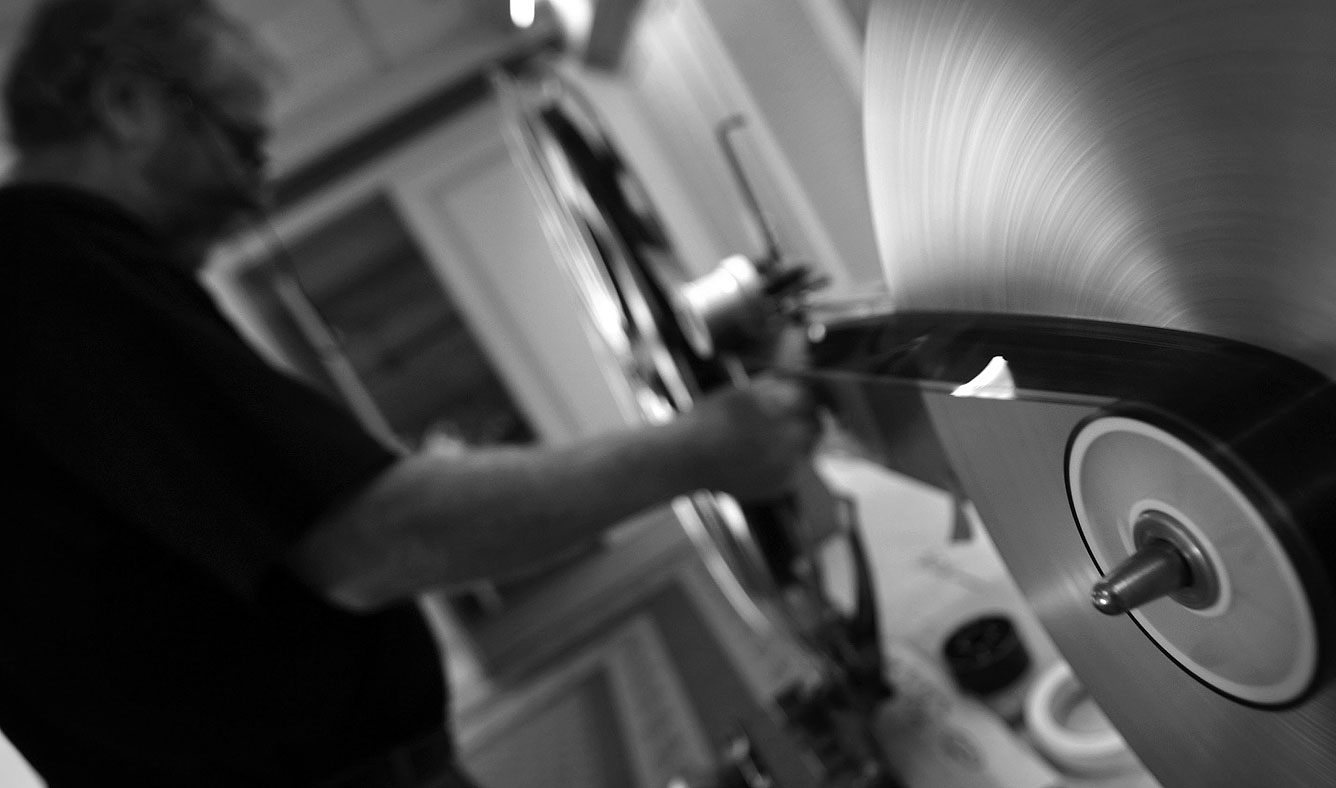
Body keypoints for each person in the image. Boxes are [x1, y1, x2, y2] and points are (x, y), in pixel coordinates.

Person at [0, 1, 821, 785]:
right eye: (238, 143)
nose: (252, 194)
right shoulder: (49, 270)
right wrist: (704, 450)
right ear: (127, 103)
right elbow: (377, 540)